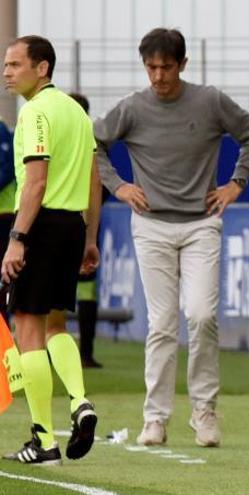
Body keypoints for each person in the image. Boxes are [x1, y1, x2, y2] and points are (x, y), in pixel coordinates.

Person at [93, 28, 249, 448]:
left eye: (166, 67)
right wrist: (118, 186)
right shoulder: (132, 108)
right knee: (162, 324)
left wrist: (235, 184)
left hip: (201, 222)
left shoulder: (209, 101)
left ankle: (204, 412)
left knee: (202, 315)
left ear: (182, 65)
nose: (158, 76)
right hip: (150, 225)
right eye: (150, 67)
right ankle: (155, 418)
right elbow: (94, 142)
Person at [1, 35, 101, 465]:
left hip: (40, 226)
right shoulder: (77, 113)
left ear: (42, 68)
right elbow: (95, 180)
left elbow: (36, 182)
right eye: (6, 65)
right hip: (72, 226)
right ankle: (79, 401)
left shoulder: (35, 113)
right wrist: (91, 236)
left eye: (16, 64)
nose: (7, 72)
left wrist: (17, 239)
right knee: (56, 324)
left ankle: (44, 441)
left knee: (27, 329)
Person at [67, 92, 104, 369]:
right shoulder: (94, 142)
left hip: (58, 221)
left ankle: (44, 353)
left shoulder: (58, 137)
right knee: (87, 290)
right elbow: (101, 187)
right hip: (88, 224)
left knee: (52, 301)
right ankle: (86, 354)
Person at [0, 116, 14, 316]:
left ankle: (4, 344)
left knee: (3, 280)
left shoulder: (1, 128)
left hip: (4, 214)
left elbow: (8, 169)